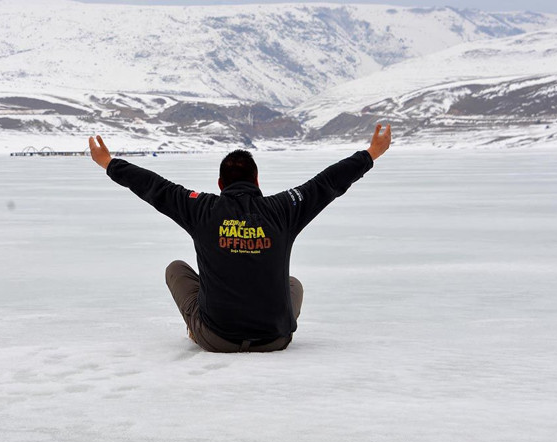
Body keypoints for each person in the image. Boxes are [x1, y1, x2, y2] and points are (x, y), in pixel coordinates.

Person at [89, 123, 392, 353]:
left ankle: (197, 331)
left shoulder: (201, 208)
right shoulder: (284, 209)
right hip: (275, 338)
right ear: (257, 181)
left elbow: (156, 187)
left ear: (220, 183)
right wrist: (371, 154)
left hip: (216, 338)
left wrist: (109, 163)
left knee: (175, 269)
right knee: (293, 284)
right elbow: (327, 183)